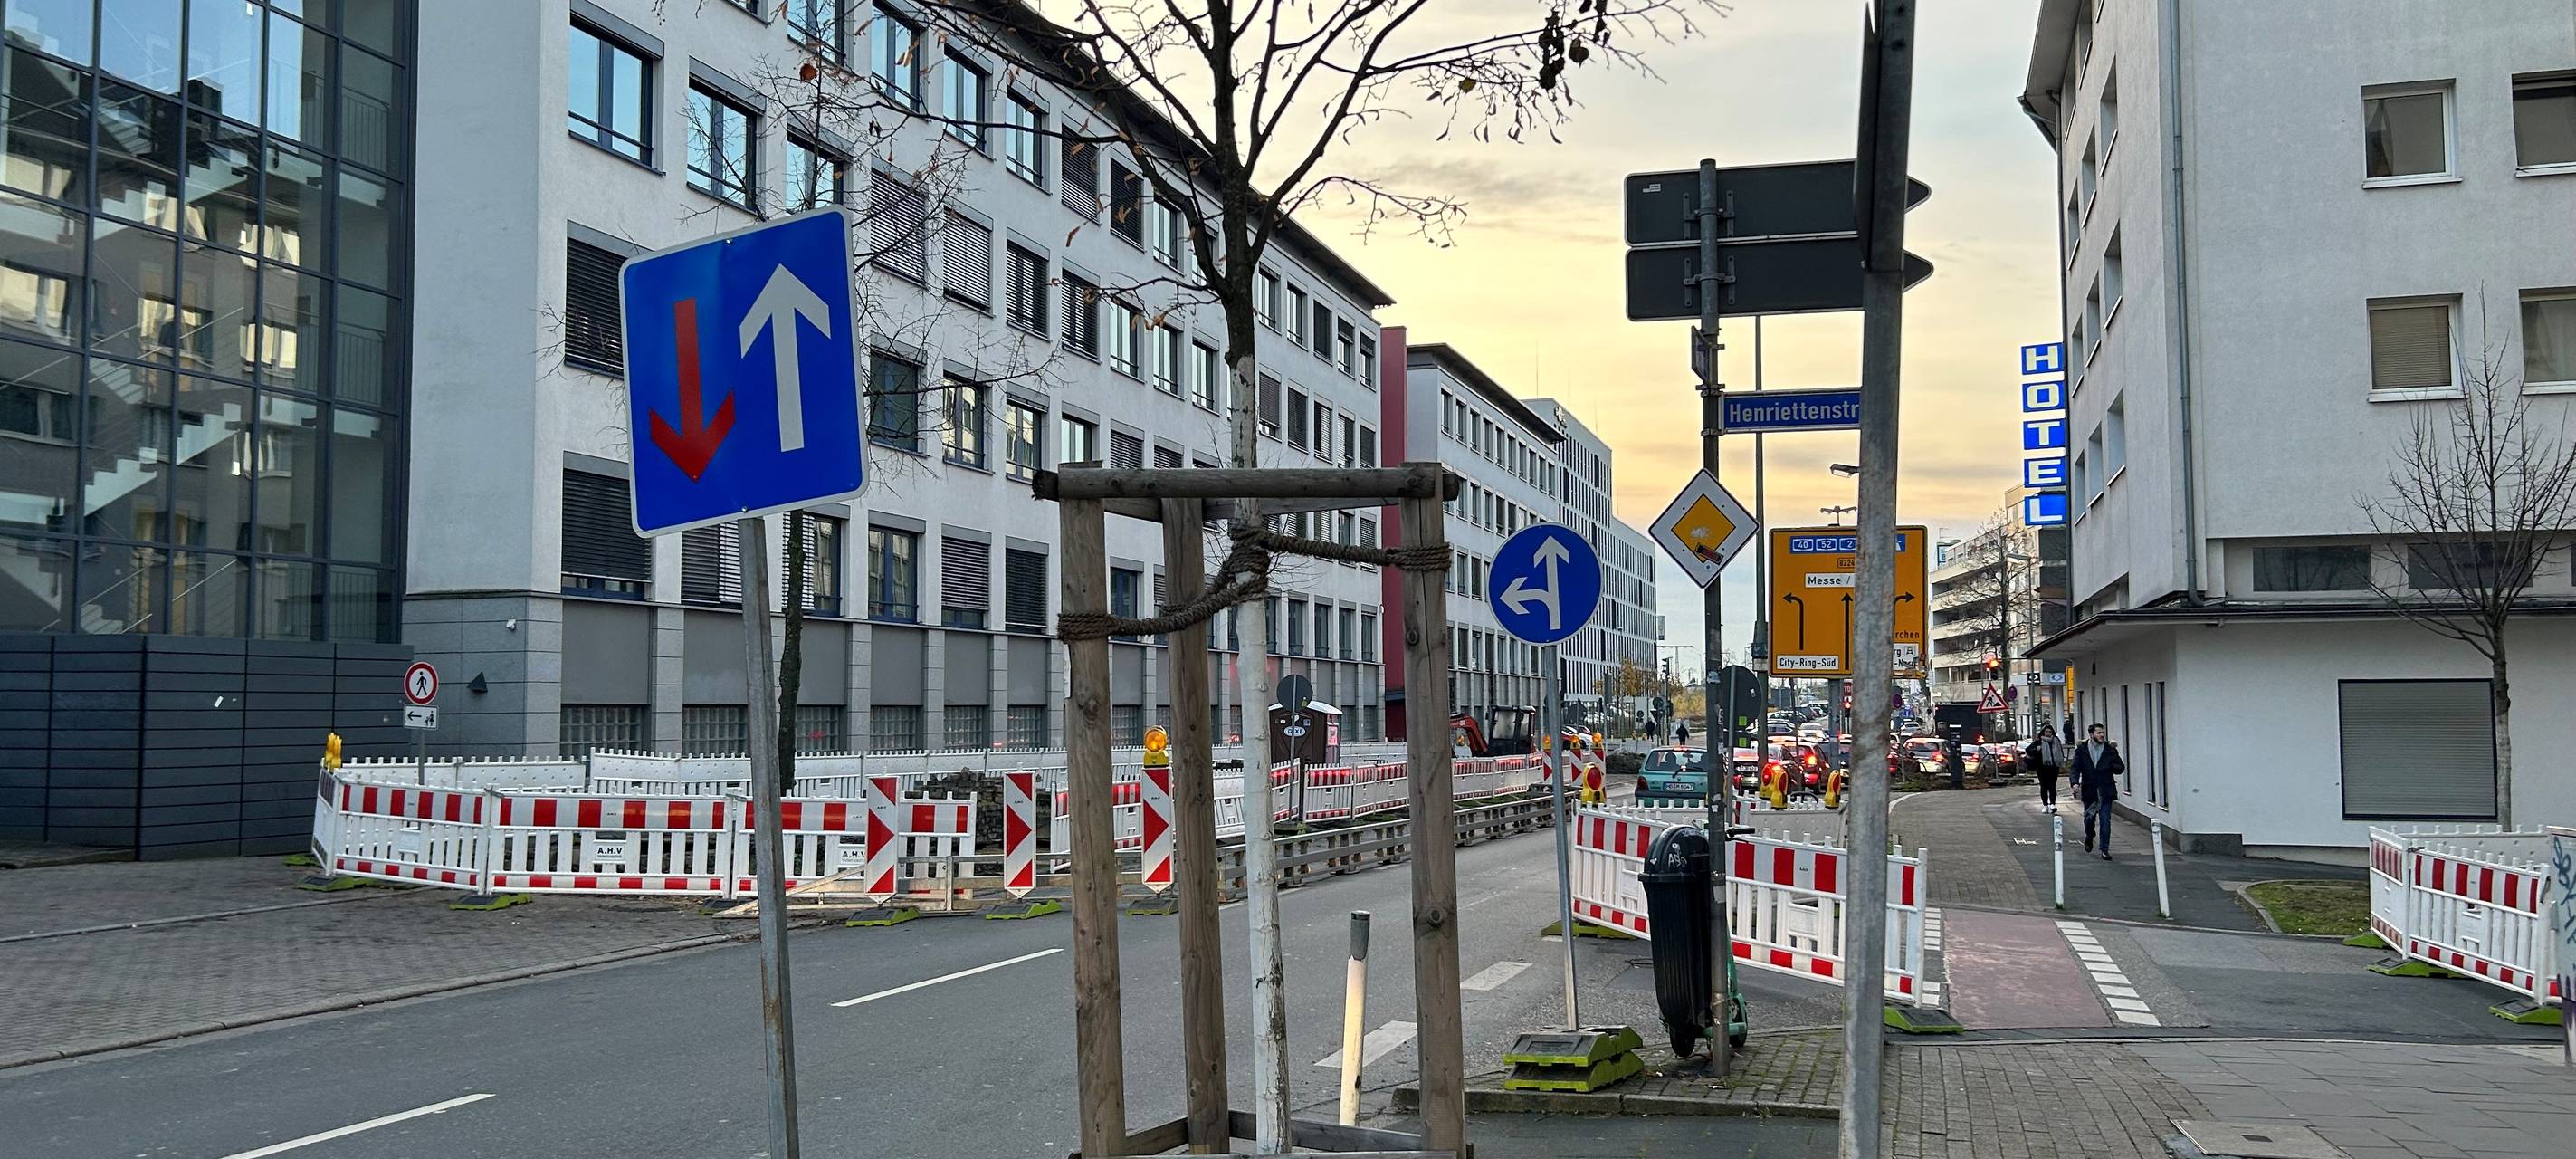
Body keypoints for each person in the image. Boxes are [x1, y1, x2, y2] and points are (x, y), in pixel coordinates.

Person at [2070, 723, 2125, 859]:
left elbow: (2120, 768)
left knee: (2105, 820)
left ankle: (2104, 849)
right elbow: (2075, 768)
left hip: (2106, 790)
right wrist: (2075, 783)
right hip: (2090, 790)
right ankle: (2090, 836)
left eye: (2102, 733)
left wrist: (2113, 760)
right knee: (2089, 818)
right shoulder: (2081, 750)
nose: (2102, 735)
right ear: (2091, 735)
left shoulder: (2109, 749)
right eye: (2099, 733)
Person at [2024, 724, 2065, 811]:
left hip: (2053, 767)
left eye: (2050, 732)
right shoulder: (2039, 741)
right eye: (2046, 731)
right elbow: (2028, 750)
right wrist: (2036, 749)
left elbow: (2060, 752)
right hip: (2042, 768)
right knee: (2044, 787)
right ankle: (2045, 805)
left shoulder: (2056, 741)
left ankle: (2053, 804)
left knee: (2052, 786)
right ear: (2043, 732)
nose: (2048, 733)